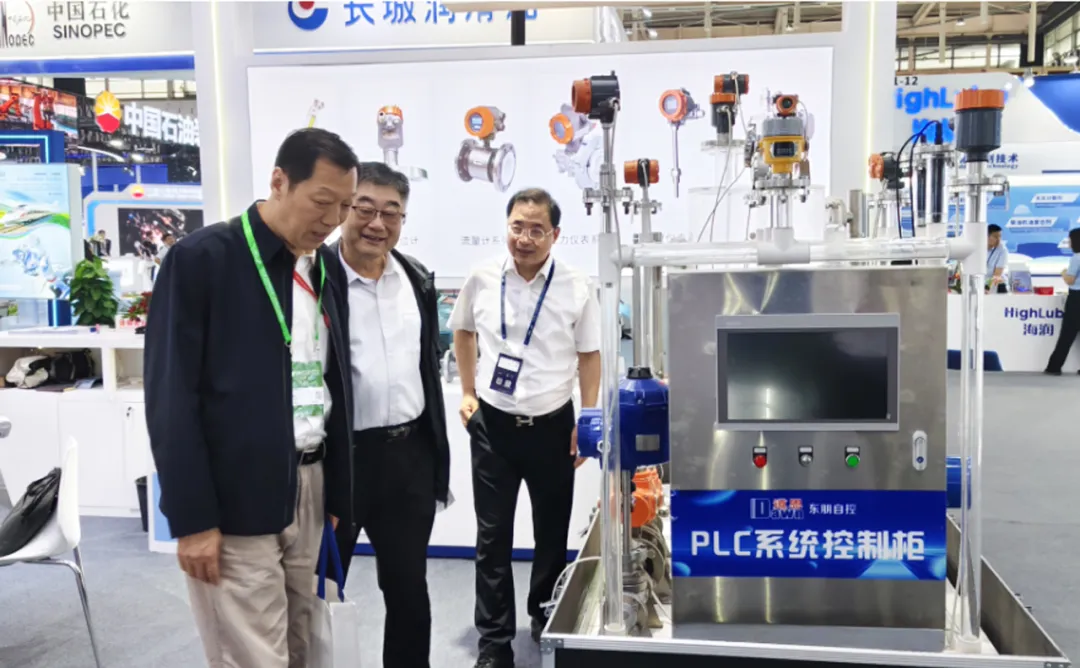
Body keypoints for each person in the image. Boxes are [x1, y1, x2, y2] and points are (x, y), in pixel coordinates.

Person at [144, 128, 359, 668]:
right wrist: (193, 518)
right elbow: (171, 398)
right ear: (279, 182)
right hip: (234, 495)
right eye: (322, 202)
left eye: (344, 207)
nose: (333, 220)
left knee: (308, 644)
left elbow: (334, 383)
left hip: (311, 484)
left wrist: (337, 495)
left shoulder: (324, 266)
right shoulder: (202, 260)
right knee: (252, 655)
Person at [449, 187, 601, 668]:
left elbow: (589, 355)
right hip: (493, 426)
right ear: (507, 226)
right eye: (518, 226)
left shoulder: (576, 285)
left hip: (554, 426)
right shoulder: (482, 277)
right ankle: (494, 644)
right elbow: (462, 330)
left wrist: (588, 417)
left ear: (555, 234)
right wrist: (468, 391)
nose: (525, 238)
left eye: (537, 229)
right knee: (492, 538)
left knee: (551, 533)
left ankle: (543, 616)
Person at [329, 162, 451, 668]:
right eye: (365, 209)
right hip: (340, 462)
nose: (377, 224)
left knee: (408, 590)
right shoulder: (316, 278)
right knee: (319, 588)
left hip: (407, 459)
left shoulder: (415, 278)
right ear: (345, 209)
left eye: (391, 213)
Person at [1045, 228, 1080, 376]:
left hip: (1076, 298)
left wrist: (1064, 273)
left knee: (1067, 334)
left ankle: (1054, 366)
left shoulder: (1076, 258)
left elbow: (1070, 280)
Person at [987, 223, 1008, 292]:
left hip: (995, 285)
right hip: (979, 284)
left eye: (1000, 237)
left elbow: (997, 275)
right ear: (987, 236)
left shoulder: (1002, 250)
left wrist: (987, 288)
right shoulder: (978, 248)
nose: (998, 239)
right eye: (995, 237)